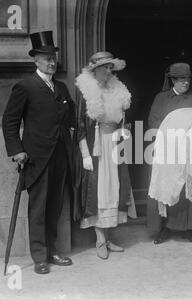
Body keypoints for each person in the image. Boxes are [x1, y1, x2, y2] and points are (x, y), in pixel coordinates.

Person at [2, 31, 75, 274]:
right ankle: (40, 257)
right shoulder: (25, 86)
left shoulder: (62, 88)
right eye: (46, 58)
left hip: (59, 156)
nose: (51, 61)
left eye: (53, 57)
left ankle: (52, 250)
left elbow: (70, 117)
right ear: (36, 60)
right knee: (38, 208)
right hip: (36, 158)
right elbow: (10, 121)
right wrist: (17, 151)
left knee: (54, 206)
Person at [75, 51, 136, 260]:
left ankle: (108, 238)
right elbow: (80, 126)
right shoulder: (87, 91)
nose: (109, 71)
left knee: (113, 189)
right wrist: (85, 155)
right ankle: (100, 239)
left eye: (111, 67)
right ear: (95, 69)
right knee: (99, 191)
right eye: (105, 67)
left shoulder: (116, 90)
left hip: (114, 143)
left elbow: (122, 118)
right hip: (96, 145)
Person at [147, 62, 192, 244]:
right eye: (181, 80)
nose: (186, 83)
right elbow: (153, 122)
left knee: (188, 188)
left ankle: (189, 228)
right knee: (167, 185)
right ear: (173, 81)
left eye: (187, 80)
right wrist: (173, 132)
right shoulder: (161, 99)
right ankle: (165, 228)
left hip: (190, 152)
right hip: (169, 151)